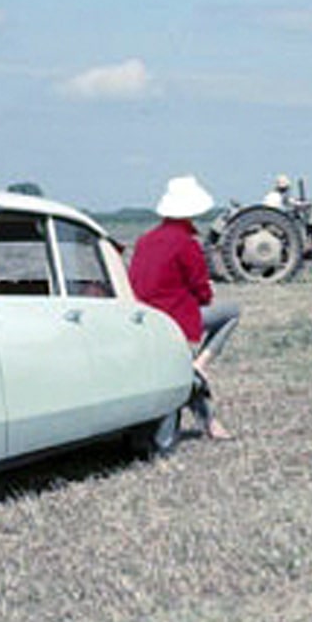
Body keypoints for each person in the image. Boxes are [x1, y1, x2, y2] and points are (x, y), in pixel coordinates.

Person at [129, 175, 237, 440]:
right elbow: (201, 290)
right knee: (232, 312)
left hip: (145, 316)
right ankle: (203, 362)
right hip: (176, 317)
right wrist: (203, 297)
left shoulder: (144, 240)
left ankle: (209, 421)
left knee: (181, 368)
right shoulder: (187, 242)